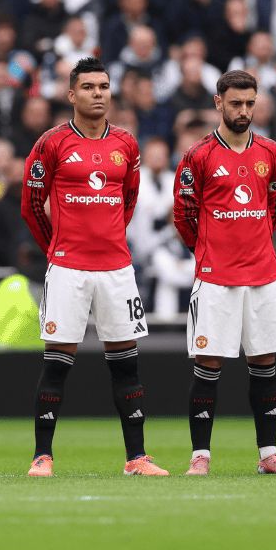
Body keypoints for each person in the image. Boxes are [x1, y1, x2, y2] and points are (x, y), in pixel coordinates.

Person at [21, 56, 166, 476]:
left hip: (116, 269)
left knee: (126, 363)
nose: (98, 93)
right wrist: (59, 248)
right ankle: (42, 456)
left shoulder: (126, 143)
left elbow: (129, 200)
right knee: (56, 362)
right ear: (71, 94)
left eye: (103, 87)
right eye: (88, 87)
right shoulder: (51, 142)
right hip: (68, 269)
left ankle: (136, 458)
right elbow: (32, 206)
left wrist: (107, 242)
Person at [173, 70, 276, 475]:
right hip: (215, 277)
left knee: (264, 362)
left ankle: (269, 455)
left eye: (249, 103)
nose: (244, 111)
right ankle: (200, 456)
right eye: (236, 103)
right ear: (218, 103)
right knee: (208, 364)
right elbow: (184, 216)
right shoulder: (198, 156)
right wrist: (210, 250)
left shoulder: (272, 154)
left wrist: (254, 241)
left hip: (262, 276)